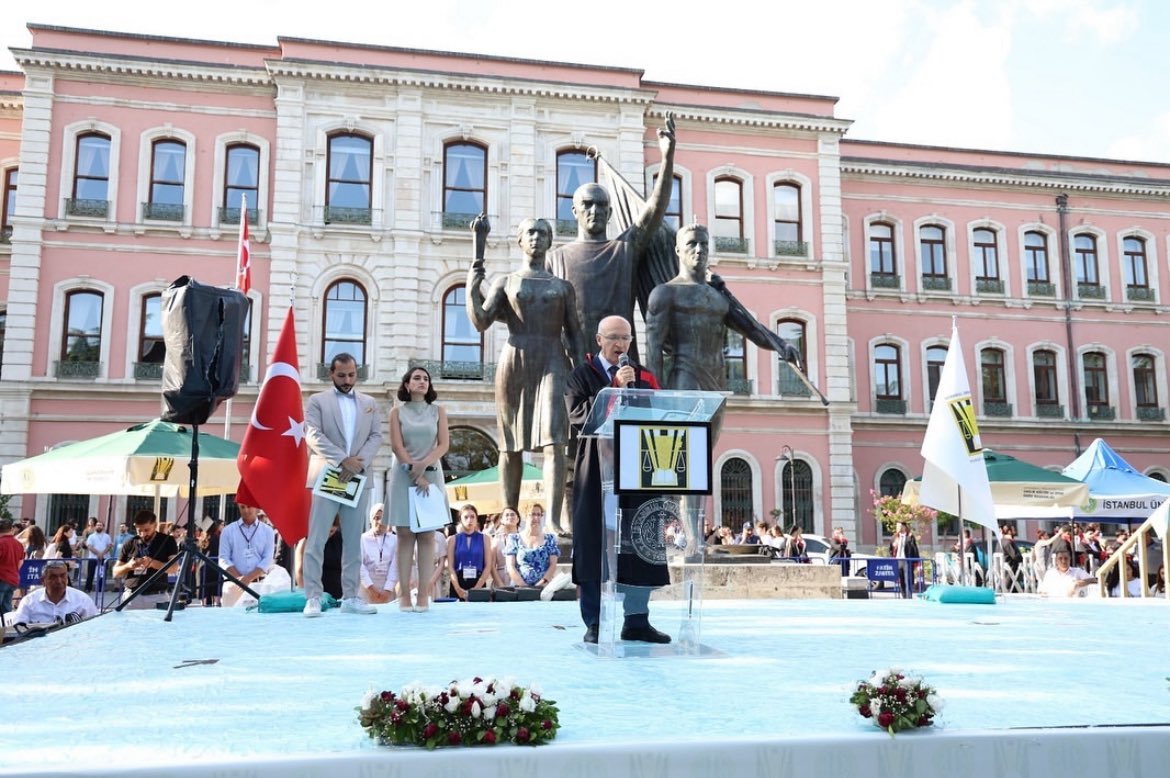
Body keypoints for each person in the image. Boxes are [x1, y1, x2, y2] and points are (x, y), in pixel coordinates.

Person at [467, 216, 585, 535]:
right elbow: (480, 320)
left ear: (550, 241)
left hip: (552, 359)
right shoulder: (505, 282)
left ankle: (554, 519)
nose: (536, 238)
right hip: (514, 359)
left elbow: (574, 333)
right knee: (510, 444)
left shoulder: (562, 287)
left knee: (555, 440)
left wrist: (583, 372)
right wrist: (474, 270)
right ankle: (509, 518)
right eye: (530, 233)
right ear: (520, 240)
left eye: (543, 233)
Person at [565, 314, 670, 644]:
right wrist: (615, 390)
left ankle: (637, 620)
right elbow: (579, 418)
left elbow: (656, 416)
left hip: (636, 472)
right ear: (599, 340)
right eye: (613, 337)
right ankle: (594, 622)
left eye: (625, 338)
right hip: (596, 474)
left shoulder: (644, 376)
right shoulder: (581, 376)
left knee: (638, 544)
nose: (620, 345)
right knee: (596, 546)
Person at [546, 115, 677, 362]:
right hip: (574, 365)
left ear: (610, 212)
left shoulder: (625, 249)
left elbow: (655, 208)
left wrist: (667, 158)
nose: (594, 210)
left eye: (600, 205)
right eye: (587, 204)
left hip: (622, 364)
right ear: (574, 210)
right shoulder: (554, 259)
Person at [645, 224, 802, 394]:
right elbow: (653, 347)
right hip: (686, 375)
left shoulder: (718, 295)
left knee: (715, 422)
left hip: (717, 378)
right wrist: (656, 393)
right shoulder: (665, 293)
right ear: (678, 250)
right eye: (692, 244)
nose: (699, 250)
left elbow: (751, 328)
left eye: (704, 244)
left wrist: (782, 345)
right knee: (692, 421)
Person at [302, 353, 384, 618]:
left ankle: (350, 596)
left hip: (357, 476)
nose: (347, 380)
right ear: (331, 374)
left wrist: (358, 463)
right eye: (341, 375)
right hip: (330, 473)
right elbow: (312, 434)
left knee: (353, 540)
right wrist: (342, 460)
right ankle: (313, 596)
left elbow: (376, 436)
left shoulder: (370, 403)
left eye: (351, 375)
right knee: (316, 539)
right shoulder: (317, 401)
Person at [388, 366, 450, 613]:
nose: (422, 381)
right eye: (416, 378)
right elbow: (396, 446)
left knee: (426, 536)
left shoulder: (438, 411)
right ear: (407, 384)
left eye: (425, 378)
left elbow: (443, 444)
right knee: (404, 535)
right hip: (403, 475)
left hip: (432, 474)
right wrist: (413, 469)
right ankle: (404, 595)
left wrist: (423, 466)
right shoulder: (396, 412)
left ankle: (423, 595)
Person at [113, 510, 180, 610]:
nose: (143, 534)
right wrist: (129, 566)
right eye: (139, 530)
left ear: (155, 525)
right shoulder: (129, 543)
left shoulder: (168, 541)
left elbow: (174, 568)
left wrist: (153, 563)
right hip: (131, 597)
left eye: (147, 530)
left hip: (157, 597)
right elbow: (115, 572)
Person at [7, 560, 98, 628]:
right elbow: (19, 629)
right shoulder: (29, 601)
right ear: (43, 580)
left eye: (62, 576)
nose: (59, 581)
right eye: (53, 577)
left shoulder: (82, 600)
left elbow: (95, 627)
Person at [218, 499, 275, 607]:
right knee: (231, 621)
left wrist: (248, 578)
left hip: (259, 585)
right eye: (242, 507)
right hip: (233, 586)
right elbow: (223, 558)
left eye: (249, 506)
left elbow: (267, 559)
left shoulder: (268, 531)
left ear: (257, 508)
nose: (246, 510)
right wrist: (240, 580)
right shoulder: (228, 531)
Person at [505, 503, 561, 588]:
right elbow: (510, 566)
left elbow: (553, 564)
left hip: (544, 587)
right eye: (533, 514)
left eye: (539, 515)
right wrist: (524, 586)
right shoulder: (514, 538)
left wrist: (542, 583)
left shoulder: (550, 538)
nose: (536, 518)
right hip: (520, 588)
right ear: (525, 516)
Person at [447, 505, 493, 601]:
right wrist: (457, 588)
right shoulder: (453, 539)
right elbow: (450, 567)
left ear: (476, 519)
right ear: (460, 519)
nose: (469, 520)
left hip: (478, 580)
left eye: (472, 517)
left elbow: (488, 565)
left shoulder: (485, 538)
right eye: (466, 517)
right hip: (458, 581)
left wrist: (477, 587)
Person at [359, 503, 398, 605]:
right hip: (366, 588)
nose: (380, 522)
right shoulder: (362, 539)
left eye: (384, 519)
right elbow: (359, 565)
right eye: (377, 518)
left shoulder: (395, 540)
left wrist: (388, 589)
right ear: (371, 519)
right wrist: (370, 588)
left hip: (388, 589)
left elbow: (396, 566)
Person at [491, 506, 522, 588]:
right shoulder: (497, 539)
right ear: (501, 520)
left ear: (518, 519)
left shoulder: (523, 538)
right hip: (501, 577)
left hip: (520, 578)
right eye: (507, 515)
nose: (510, 517)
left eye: (512, 515)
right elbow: (492, 565)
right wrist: (500, 584)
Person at [0, 518, 25, 620]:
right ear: (11, 529)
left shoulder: (1, 543)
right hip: (13, 578)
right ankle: (5, 631)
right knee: (6, 608)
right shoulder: (18, 544)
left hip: (1, 577)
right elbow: (21, 562)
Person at [890, 521, 919, 598]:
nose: (898, 528)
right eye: (897, 526)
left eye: (899, 526)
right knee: (901, 579)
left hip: (907, 560)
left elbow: (915, 549)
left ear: (904, 527)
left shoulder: (910, 537)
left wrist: (916, 561)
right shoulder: (894, 537)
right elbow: (890, 549)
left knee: (908, 578)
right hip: (897, 560)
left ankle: (909, 596)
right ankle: (904, 596)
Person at [83, 521, 113, 592]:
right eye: (97, 525)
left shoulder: (107, 536)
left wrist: (102, 554)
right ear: (95, 526)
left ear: (103, 527)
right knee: (91, 573)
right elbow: (89, 546)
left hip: (104, 558)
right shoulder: (91, 536)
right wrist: (98, 554)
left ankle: (100, 588)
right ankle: (88, 588)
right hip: (93, 558)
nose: (99, 526)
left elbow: (109, 546)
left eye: (100, 525)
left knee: (102, 574)